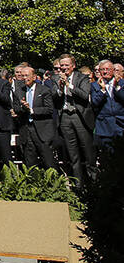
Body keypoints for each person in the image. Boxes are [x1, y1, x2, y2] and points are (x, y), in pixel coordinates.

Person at [55, 54, 96, 187]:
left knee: (87, 151)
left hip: (79, 116)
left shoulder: (82, 78)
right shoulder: (56, 79)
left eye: (67, 65)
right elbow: (55, 100)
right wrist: (60, 89)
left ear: (73, 66)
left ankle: (93, 182)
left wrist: (69, 85)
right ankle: (77, 184)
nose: (64, 68)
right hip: (65, 117)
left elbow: (84, 96)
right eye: (62, 65)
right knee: (72, 153)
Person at [13, 67, 57, 169]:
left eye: (27, 76)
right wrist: (23, 108)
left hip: (42, 130)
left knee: (48, 160)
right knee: (29, 161)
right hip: (26, 130)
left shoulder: (44, 90)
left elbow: (49, 109)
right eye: (22, 76)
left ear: (34, 77)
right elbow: (16, 108)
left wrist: (32, 110)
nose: (24, 78)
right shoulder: (19, 92)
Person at [90, 60, 124, 151]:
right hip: (104, 126)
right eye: (102, 69)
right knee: (107, 156)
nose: (105, 72)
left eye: (108, 69)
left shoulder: (122, 83)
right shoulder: (95, 85)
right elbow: (95, 103)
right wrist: (103, 90)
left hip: (120, 124)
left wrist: (117, 87)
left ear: (113, 70)